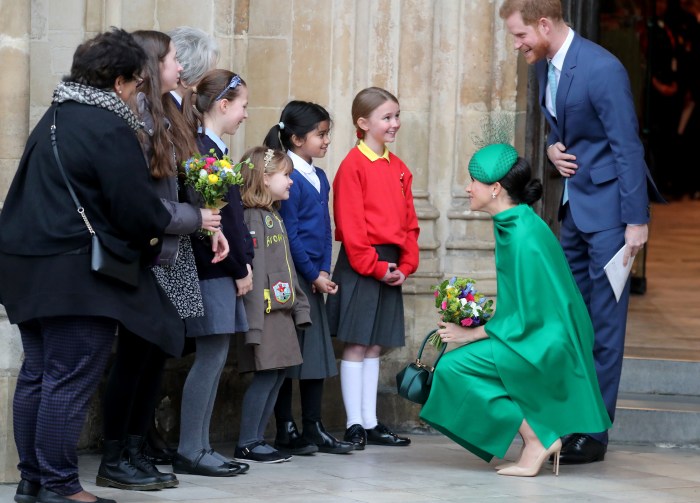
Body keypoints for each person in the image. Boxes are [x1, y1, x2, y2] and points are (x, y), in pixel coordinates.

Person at [0, 28, 184, 503]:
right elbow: (135, 207)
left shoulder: (55, 116)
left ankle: (33, 481)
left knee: (39, 374)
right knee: (68, 376)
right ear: (122, 81)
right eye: (137, 84)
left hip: (27, 266)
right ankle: (59, 487)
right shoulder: (107, 123)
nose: (138, 91)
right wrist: (149, 247)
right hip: (76, 273)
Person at [499, 0, 663, 464]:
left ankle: (592, 434)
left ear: (545, 24)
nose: (517, 46)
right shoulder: (542, 64)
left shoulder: (603, 68)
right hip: (572, 209)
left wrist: (637, 222)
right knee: (565, 317)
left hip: (611, 215)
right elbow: (561, 127)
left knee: (605, 327)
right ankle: (563, 420)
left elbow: (627, 146)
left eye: (520, 36)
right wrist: (552, 150)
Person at [420, 143, 612, 478]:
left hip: (544, 342)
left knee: (452, 368)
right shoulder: (516, 221)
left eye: (473, 182)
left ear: (494, 189)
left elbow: (529, 314)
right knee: (461, 368)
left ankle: (536, 438)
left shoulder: (522, 234)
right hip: (536, 334)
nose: (467, 188)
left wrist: (470, 334)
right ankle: (536, 435)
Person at [96, 30, 228, 491]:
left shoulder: (168, 112)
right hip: (149, 250)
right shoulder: (137, 116)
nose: (182, 66)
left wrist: (204, 222)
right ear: (154, 65)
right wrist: (194, 218)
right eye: (172, 58)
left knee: (154, 356)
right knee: (135, 357)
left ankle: (135, 447)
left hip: (170, 247)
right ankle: (118, 453)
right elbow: (141, 198)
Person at [327, 87, 419, 449]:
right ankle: (354, 424)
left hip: (392, 262)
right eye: (387, 117)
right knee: (357, 343)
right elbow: (351, 228)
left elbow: (410, 224)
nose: (395, 123)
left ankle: (371, 421)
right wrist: (375, 267)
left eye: (396, 115)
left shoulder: (399, 169)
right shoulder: (352, 166)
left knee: (375, 345)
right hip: (362, 262)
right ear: (363, 123)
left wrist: (406, 265)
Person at [173, 69, 254, 477]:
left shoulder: (214, 151)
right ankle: (191, 448)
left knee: (217, 357)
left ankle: (201, 446)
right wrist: (240, 267)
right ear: (223, 105)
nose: (244, 115)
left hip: (222, 270)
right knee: (210, 358)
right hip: (213, 270)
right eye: (242, 106)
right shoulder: (202, 151)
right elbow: (213, 225)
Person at [263, 101, 354, 456]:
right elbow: (291, 233)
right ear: (298, 139)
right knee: (288, 354)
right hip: (296, 278)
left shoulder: (320, 176)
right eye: (321, 134)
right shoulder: (291, 178)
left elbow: (323, 228)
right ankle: (285, 426)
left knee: (315, 355)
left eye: (327, 133)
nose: (327, 140)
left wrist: (323, 271)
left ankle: (313, 425)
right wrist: (312, 273)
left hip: (315, 277)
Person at [235, 146, 312, 463]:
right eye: (286, 175)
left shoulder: (274, 217)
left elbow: (288, 270)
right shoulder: (253, 218)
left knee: (279, 375)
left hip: (280, 316)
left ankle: (257, 438)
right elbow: (255, 276)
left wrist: (300, 307)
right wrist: (252, 327)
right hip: (264, 318)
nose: (291, 182)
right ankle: (247, 441)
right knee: (266, 375)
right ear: (265, 179)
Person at [168, 26, 220, 111]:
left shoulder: (180, 109)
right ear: (185, 79)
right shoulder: (167, 113)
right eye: (208, 78)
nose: (214, 86)